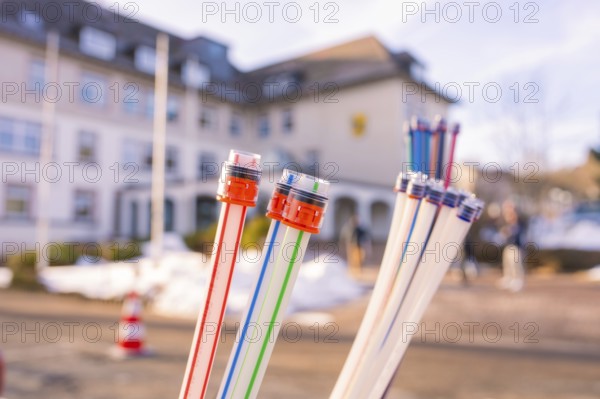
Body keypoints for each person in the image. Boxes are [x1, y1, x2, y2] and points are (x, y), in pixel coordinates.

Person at [498, 200, 526, 292]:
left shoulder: (519, 221)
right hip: (508, 245)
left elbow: (518, 233)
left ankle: (517, 280)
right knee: (507, 263)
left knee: (516, 264)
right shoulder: (506, 220)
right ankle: (508, 278)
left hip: (516, 246)